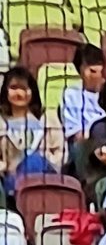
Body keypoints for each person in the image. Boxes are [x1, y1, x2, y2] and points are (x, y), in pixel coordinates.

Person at [0, 65, 65, 193]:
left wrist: (44, 159)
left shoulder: (48, 119)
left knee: (34, 160)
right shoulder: (0, 122)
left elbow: (61, 153)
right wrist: (7, 167)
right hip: (11, 180)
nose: (19, 93)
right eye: (13, 88)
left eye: (24, 88)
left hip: (46, 175)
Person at [61, 43, 106, 147]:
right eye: (92, 71)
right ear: (80, 71)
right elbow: (75, 135)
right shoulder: (71, 94)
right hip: (84, 147)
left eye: (100, 71)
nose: (97, 76)